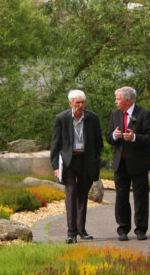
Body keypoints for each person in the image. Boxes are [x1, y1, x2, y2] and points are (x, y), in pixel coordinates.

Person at [50, 89, 103, 244]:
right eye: (77, 102)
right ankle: (71, 232)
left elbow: (99, 142)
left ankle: (81, 228)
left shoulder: (92, 118)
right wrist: (55, 166)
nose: (80, 105)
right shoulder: (62, 118)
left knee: (82, 194)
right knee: (71, 192)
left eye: (82, 102)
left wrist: (95, 158)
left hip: (86, 161)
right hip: (69, 161)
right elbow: (55, 144)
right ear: (70, 103)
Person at [106, 87, 150, 241]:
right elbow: (108, 137)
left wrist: (135, 137)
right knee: (121, 197)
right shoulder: (115, 114)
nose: (115, 101)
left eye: (118, 99)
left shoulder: (144, 114)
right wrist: (114, 135)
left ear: (127, 101)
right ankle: (123, 228)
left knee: (140, 197)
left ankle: (141, 229)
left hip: (139, 163)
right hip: (120, 162)